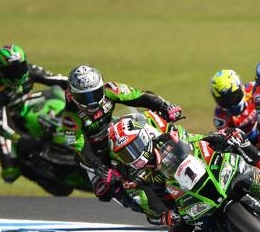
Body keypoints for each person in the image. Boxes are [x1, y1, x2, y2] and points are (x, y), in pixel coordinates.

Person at [107, 115, 260, 232]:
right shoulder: (137, 177)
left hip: (209, 171)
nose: (133, 156)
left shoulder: (165, 138)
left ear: (144, 137)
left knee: (238, 139)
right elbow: (152, 205)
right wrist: (167, 215)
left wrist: (216, 138)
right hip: (186, 201)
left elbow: (193, 139)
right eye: (126, 154)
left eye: (134, 147)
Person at [61, 64, 183, 201]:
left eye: (94, 94)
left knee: (154, 125)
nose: (91, 102)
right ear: (72, 94)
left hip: (115, 132)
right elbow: (82, 150)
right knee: (103, 191)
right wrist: (99, 167)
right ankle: (131, 198)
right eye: (84, 97)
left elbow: (141, 96)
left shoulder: (111, 89)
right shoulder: (70, 118)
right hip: (96, 151)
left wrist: (165, 106)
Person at [0, 44, 68, 183]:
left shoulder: (30, 71)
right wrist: (21, 139)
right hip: (3, 118)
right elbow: (3, 124)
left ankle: (62, 135)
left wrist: (81, 85)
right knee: (10, 173)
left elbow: (58, 79)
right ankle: (30, 167)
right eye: (12, 70)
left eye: (20, 66)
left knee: (55, 95)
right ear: (2, 71)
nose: (18, 72)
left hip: (25, 102)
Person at [210, 69, 260, 147]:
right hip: (248, 146)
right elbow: (229, 141)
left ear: (240, 87)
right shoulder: (220, 116)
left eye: (232, 97)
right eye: (223, 100)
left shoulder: (254, 90)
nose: (230, 103)